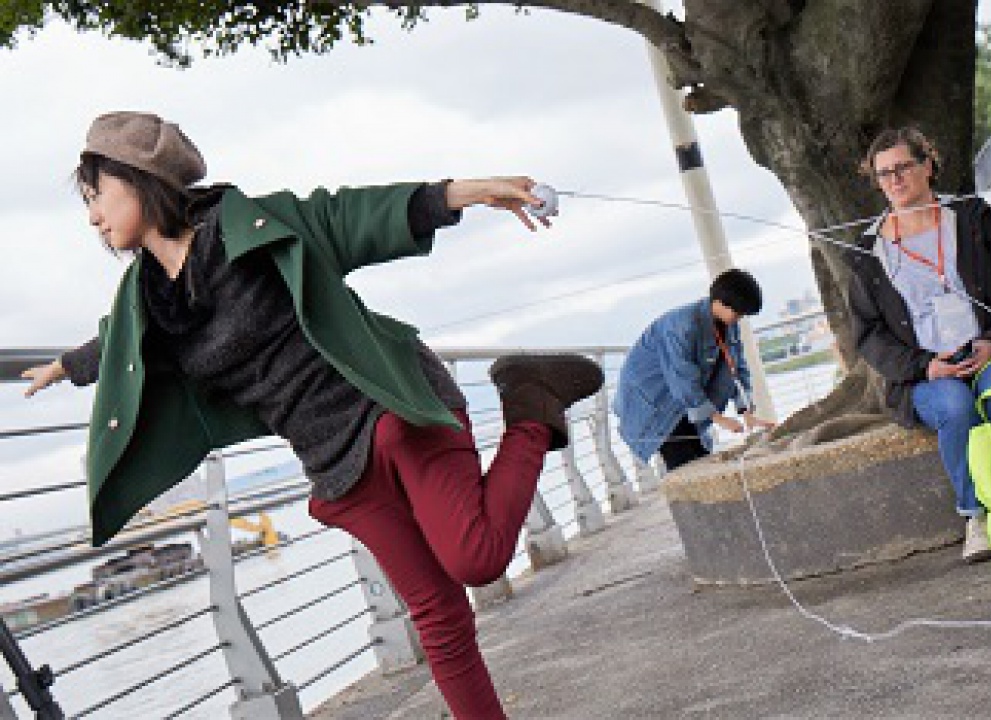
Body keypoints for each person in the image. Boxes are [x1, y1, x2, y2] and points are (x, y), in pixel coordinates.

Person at [21, 111, 603, 719]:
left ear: (139, 179)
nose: (92, 217)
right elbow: (118, 343)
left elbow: (349, 215)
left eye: (97, 196)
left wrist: (470, 192)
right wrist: (64, 366)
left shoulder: (251, 226)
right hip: (333, 462)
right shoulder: (149, 300)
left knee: (475, 558)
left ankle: (530, 403)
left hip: (389, 410)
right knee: (438, 616)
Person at [848, 126, 991, 562]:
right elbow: (868, 334)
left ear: (927, 166)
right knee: (954, 406)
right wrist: (925, 366)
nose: (895, 179)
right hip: (926, 374)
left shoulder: (973, 218)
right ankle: (976, 518)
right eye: (884, 173)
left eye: (903, 167)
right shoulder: (868, 251)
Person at [614, 269, 775, 472]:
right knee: (686, 465)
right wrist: (718, 418)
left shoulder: (728, 324)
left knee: (701, 458)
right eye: (738, 312)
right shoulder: (680, 326)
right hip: (654, 402)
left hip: (683, 402)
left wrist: (746, 411)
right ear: (720, 302)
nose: (739, 318)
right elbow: (682, 379)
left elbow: (737, 368)